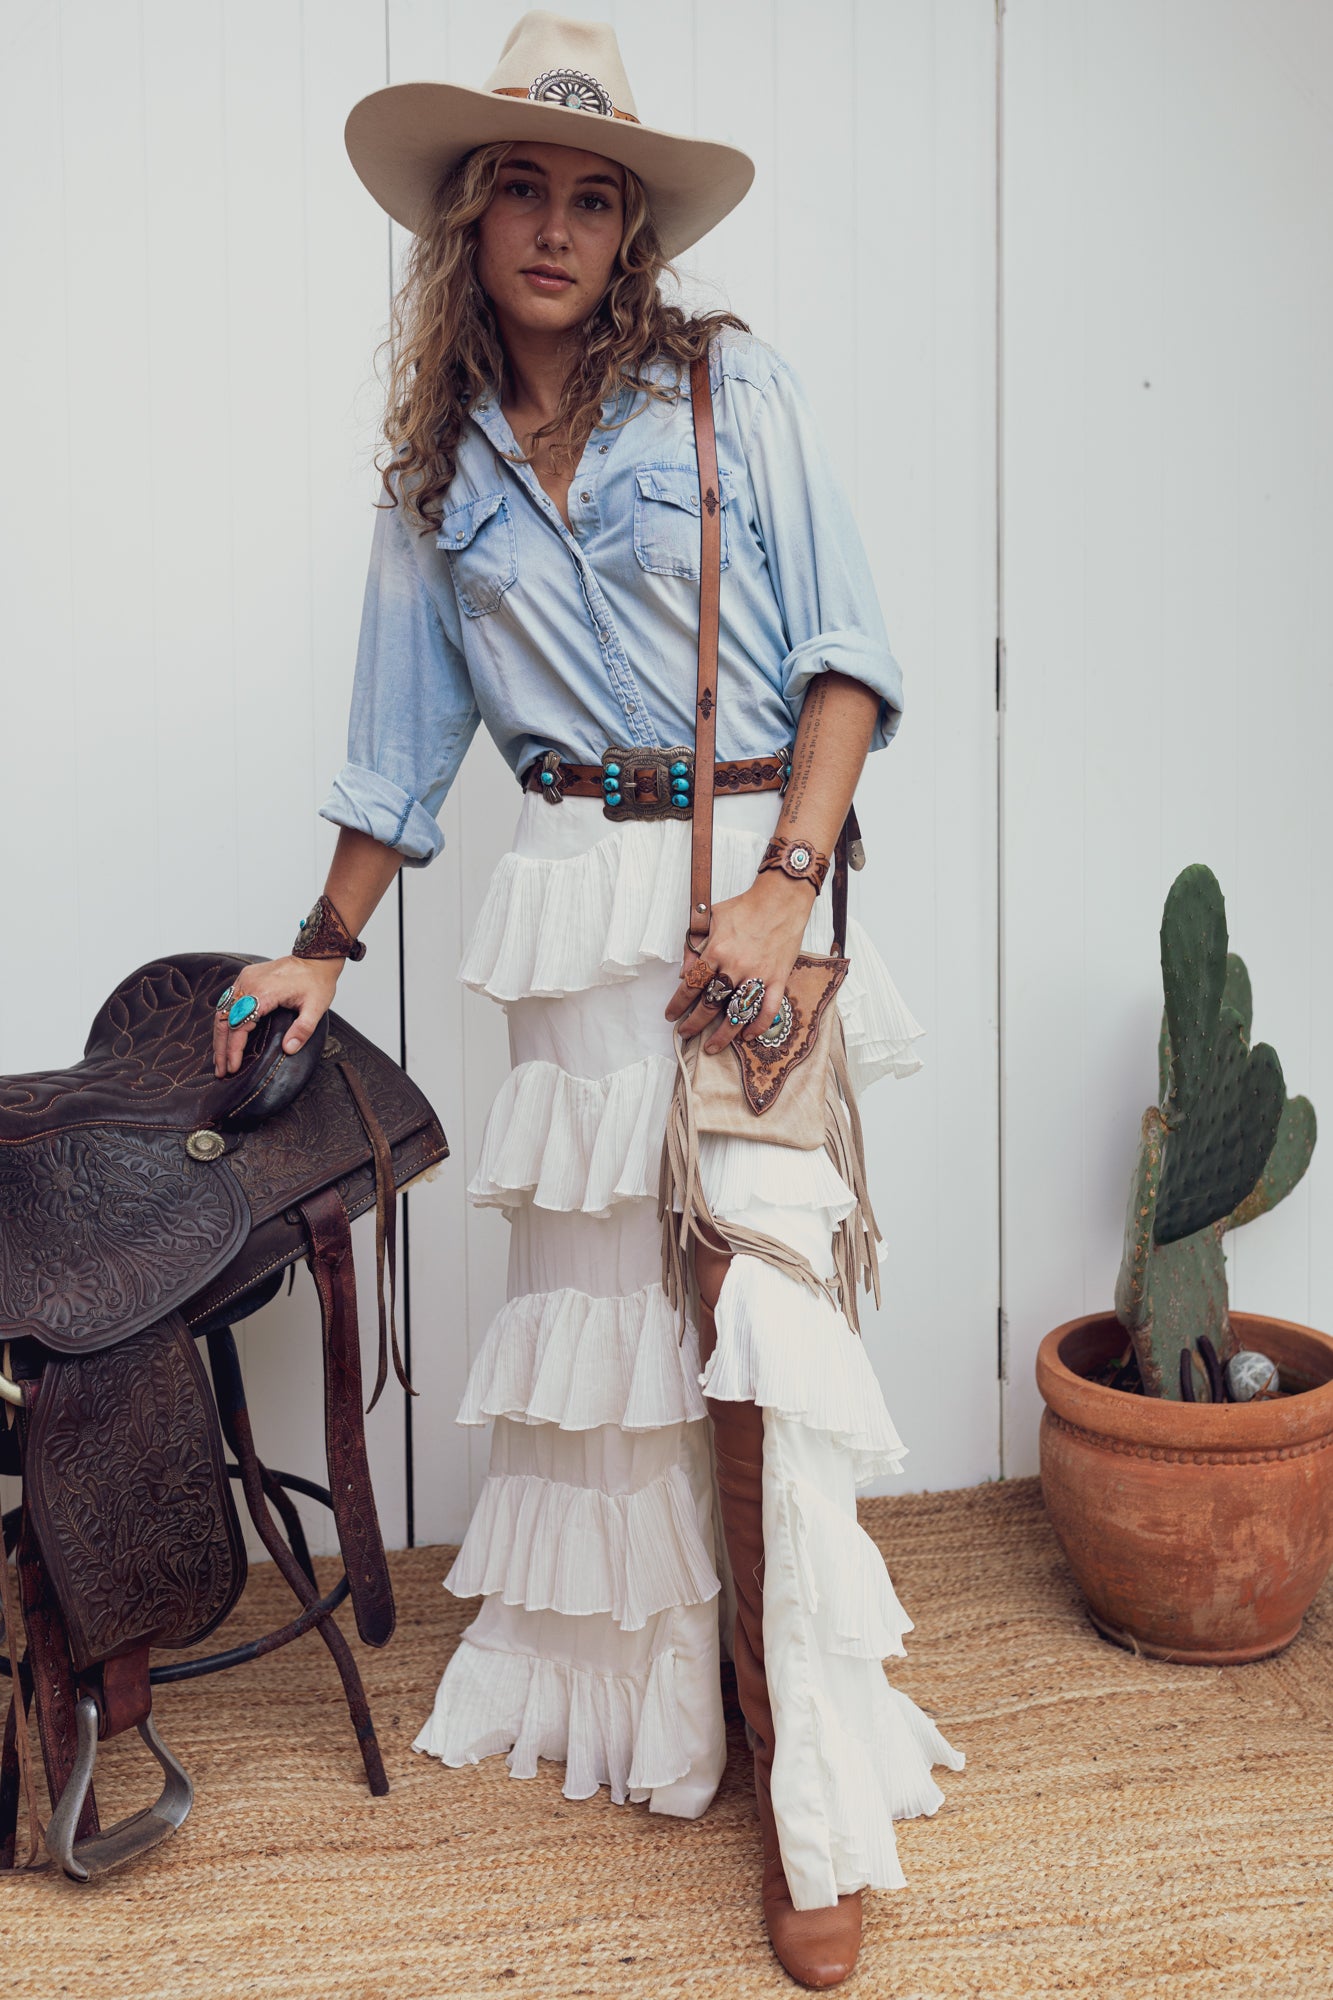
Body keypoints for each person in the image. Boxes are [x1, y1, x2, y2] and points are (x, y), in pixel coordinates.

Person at [212, 13, 963, 1990]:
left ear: (632, 229)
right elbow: (398, 747)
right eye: (520, 187)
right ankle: (670, 1706)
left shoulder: (730, 393)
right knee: (618, 1352)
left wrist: (786, 888)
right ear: (467, 220)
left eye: (592, 193)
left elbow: (850, 659)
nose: (555, 225)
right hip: (568, 908)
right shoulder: (434, 468)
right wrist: (319, 933)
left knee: (766, 1329)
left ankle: (810, 1784)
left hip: (741, 889)